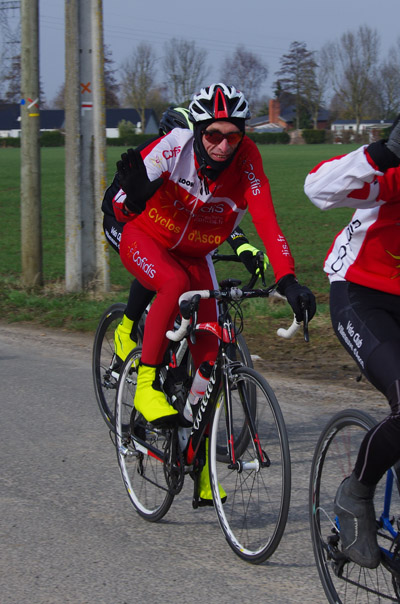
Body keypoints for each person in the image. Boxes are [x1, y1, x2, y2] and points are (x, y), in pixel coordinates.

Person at [113, 83, 316, 503]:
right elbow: (116, 206)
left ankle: (200, 465)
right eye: (213, 135)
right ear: (198, 131)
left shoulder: (248, 160)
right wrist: (132, 199)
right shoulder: (175, 146)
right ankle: (147, 385)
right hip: (146, 238)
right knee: (171, 283)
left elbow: (268, 223)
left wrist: (289, 280)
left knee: (210, 361)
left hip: (196, 254)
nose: (223, 146)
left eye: (233, 135)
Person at [304, 117, 400, 568]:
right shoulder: (392, 175)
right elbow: (318, 189)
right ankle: (355, 492)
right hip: (362, 294)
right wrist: (382, 153)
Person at [102, 106, 269, 363]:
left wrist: (242, 246)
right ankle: (126, 328)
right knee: (159, 271)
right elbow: (110, 203)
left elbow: (210, 215)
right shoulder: (152, 155)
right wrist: (133, 202)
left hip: (173, 227)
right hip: (124, 222)